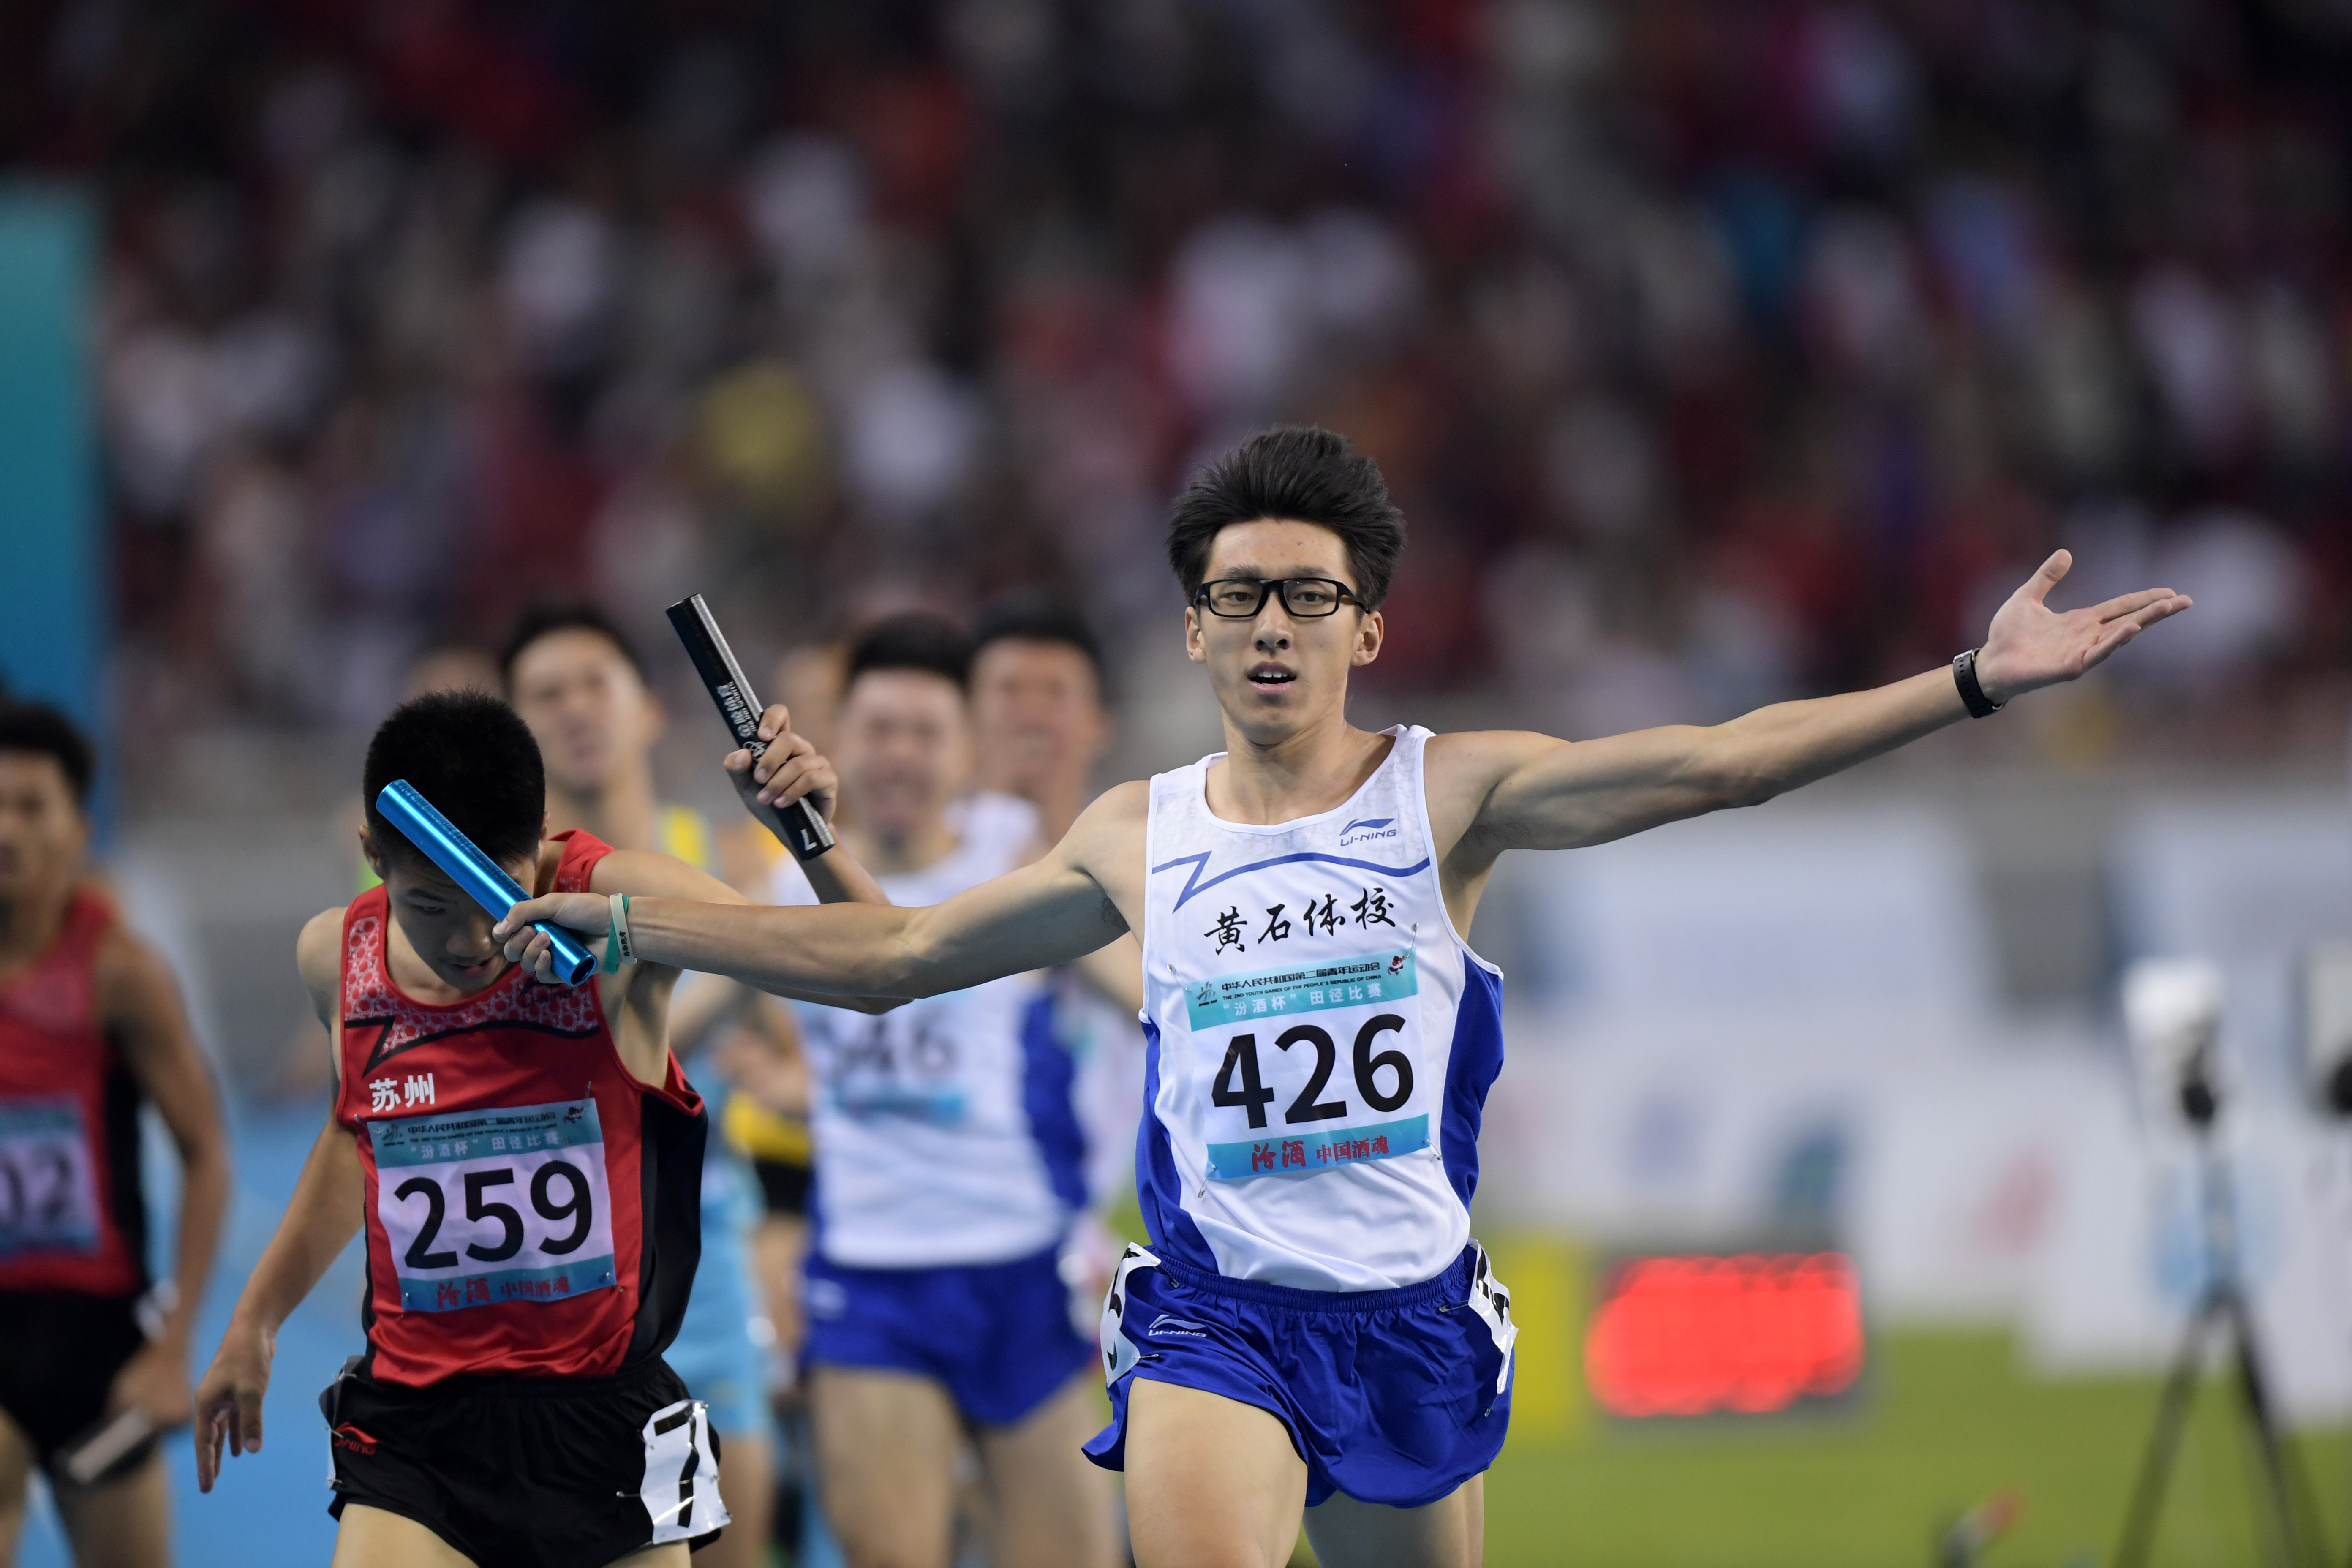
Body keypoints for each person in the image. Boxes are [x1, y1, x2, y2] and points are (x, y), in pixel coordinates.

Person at [497, 425, 2193, 1568]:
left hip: (1408, 1316)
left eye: (1310, 596)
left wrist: (1971, 681)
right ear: (1192, 631)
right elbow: (887, 958)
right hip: (1213, 1316)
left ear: (1367, 627)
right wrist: (652, 923)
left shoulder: (1448, 798)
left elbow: (1721, 764)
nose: (1272, 628)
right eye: (1238, 597)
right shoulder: (1132, 834)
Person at [192, 689, 885, 1568]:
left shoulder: (623, 903)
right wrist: (254, 1320)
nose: (471, 939)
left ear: (541, 840)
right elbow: (358, 1132)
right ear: (374, 854)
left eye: (495, 893)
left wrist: (806, 834)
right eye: (429, 905)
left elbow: (871, 970)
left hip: (602, 1422)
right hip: (418, 1427)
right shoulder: (337, 956)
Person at [764, 614, 1120, 1568]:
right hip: (873, 1278)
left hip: (1020, 1269)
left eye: (926, 731)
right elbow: (705, 1032)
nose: (900, 753)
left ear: (967, 748)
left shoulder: (1020, 853)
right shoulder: (782, 884)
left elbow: (1147, 988)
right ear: (838, 737)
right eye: (879, 727)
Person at [499, 604, 789, 1568]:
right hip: (559, 1287)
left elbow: (796, 1031)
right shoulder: (498, 891)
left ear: (651, 707)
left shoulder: (732, 861)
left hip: (704, 1260)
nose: (577, 709)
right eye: (547, 693)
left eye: (596, 682)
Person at [0, 702, 231, 1568]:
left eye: (31, 806)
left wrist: (175, 1348)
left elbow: (206, 1153)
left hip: (101, 1343)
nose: (8, 829)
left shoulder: (122, 973)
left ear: (76, 828)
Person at [968, 593, 1146, 1309]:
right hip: (932, 1221)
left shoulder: (1150, 867)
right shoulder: (925, 864)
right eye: (1008, 690)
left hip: (1073, 1233)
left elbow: (1166, 1005)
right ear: (964, 712)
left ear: (1100, 722)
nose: (1032, 714)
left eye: (1057, 693)